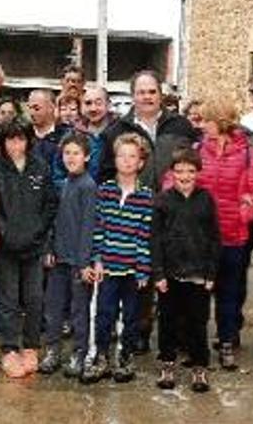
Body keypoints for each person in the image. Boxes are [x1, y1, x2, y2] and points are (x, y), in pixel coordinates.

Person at [97, 70, 196, 353]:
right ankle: (140, 329)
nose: (147, 97)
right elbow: (105, 172)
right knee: (139, 272)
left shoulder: (181, 126)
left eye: (152, 91)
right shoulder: (117, 130)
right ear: (133, 96)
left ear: (160, 94)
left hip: (174, 211)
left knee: (175, 272)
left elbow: (195, 164)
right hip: (134, 213)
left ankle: (176, 332)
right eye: (141, 92)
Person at [162, 100, 253, 369]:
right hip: (200, 237)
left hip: (232, 235)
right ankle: (193, 343)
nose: (201, 123)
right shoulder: (197, 150)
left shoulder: (247, 154)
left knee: (229, 293)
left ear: (220, 121)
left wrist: (243, 216)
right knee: (195, 294)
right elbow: (172, 180)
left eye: (206, 119)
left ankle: (227, 341)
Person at [0, 121, 58, 378]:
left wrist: (39, 232)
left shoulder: (40, 166)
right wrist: (3, 231)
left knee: (35, 298)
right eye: (10, 140)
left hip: (35, 246)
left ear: (28, 140)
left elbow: (50, 204)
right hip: (6, 247)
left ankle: (31, 346)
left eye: (20, 139)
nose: (16, 145)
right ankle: (9, 349)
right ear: (3, 142)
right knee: (8, 300)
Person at [82, 133, 154, 384]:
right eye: (121, 155)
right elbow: (98, 228)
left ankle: (125, 356)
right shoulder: (105, 191)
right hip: (108, 268)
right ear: (115, 159)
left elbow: (145, 235)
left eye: (132, 156)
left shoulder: (146, 196)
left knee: (131, 316)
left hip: (132, 270)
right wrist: (97, 259)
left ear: (141, 162)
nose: (126, 160)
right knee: (103, 313)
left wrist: (143, 268)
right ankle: (100, 356)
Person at [152, 148, 220, 393]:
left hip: (199, 274)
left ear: (198, 173)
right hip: (170, 275)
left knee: (197, 323)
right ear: (172, 173)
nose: (184, 176)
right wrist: (158, 274)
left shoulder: (206, 199)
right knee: (168, 321)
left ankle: (199, 366)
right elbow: (155, 240)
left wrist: (211, 273)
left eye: (190, 171)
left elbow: (214, 239)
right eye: (179, 171)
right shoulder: (162, 200)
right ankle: (167, 363)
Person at [39, 133, 97, 378]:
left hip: (78, 263)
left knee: (78, 311)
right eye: (66, 153)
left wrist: (84, 263)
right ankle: (53, 350)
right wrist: (49, 249)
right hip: (58, 259)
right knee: (53, 309)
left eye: (76, 153)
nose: (71, 157)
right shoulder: (61, 185)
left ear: (87, 156)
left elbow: (89, 227)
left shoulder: (88, 186)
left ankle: (79, 353)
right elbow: (54, 221)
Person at [26, 89, 71, 174]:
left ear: (51, 108)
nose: (31, 113)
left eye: (36, 108)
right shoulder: (23, 135)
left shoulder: (67, 136)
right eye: (29, 108)